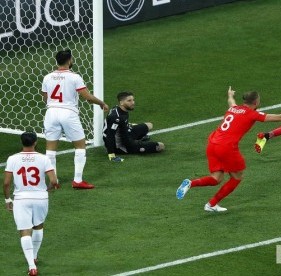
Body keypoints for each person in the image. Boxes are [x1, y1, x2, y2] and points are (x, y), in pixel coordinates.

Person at [176, 87, 281, 212]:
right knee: (237, 177)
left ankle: (190, 183)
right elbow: (280, 117)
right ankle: (211, 204)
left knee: (216, 178)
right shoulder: (252, 114)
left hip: (212, 144)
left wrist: (230, 95)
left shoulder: (233, 108)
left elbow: (231, 102)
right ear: (256, 102)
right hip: (226, 148)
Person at [42, 49, 109, 189]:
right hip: (68, 113)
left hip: (51, 112)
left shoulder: (47, 77)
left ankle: (53, 181)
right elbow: (87, 97)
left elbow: (45, 97)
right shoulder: (74, 77)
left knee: (50, 150)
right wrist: (101, 103)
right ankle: (77, 180)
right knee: (80, 146)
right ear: (69, 60)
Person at [3, 132, 59, 276]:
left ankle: (32, 266)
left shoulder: (12, 159)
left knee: (24, 231)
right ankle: (34, 255)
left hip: (21, 199)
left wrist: (8, 199)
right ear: (35, 142)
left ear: (22, 142)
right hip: (40, 198)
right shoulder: (43, 158)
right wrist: (50, 188)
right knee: (38, 226)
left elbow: (6, 183)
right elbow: (54, 181)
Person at [103, 91, 165, 162]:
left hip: (126, 134)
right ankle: (137, 143)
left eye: (133, 100)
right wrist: (111, 155)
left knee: (149, 125)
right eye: (129, 101)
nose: (133, 103)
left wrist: (130, 125)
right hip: (122, 145)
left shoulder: (119, 109)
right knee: (160, 146)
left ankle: (139, 139)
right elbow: (109, 136)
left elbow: (122, 125)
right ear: (121, 103)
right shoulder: (116, 117)